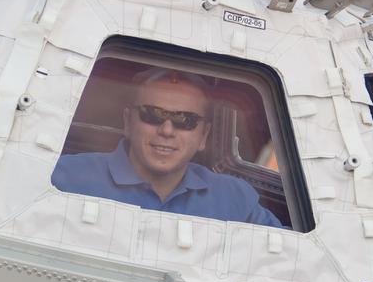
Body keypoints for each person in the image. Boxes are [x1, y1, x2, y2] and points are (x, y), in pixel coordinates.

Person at [52, 68, 283, 228]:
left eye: (185, 120)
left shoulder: (236, 200)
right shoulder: (64, 178)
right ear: (128, 123)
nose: (167, 130)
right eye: (153, 115)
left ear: (203, 135)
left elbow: (288, 260)